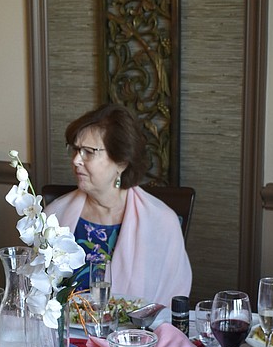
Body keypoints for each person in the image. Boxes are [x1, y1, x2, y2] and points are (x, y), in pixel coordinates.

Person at [45, 103, 192, 307]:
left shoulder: (161, 222)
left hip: (137, 336)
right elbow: (38, 294)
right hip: (66, 335)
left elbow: (170, 302)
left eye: (89, 151)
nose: (76, 160)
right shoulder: (54, 216)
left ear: (121, 163)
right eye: (76, 149)